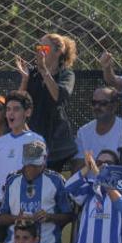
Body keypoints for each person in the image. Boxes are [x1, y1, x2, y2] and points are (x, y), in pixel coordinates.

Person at [0, 141, 73, 243]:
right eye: (28, 164)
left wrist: (50, 216)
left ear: (44, 160)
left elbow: (69, 215)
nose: (31, 169)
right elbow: (0, 217)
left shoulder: (56, 180)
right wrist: (15, 218)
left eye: (36, 165)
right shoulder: (12, 181)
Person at [16, 33, 78, 171]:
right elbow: (18, 102)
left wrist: (44, 70)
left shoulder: (66, 74)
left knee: (51, 179)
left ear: (58, 52)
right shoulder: (33, 74)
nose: (40, 51)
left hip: (57, 142)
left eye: (45, 48)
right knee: (32, 173)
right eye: (39, 47)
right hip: (34, 136)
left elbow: (59, 96)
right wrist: (25, 80)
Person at [0, 90, 46, 217]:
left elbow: (32, 176)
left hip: (20, 215)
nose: (11, 113)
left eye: (16, 109)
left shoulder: (35, 141)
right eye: (8, 109)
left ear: (28, 112)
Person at [71, 87, 122, 171]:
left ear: (114, 106)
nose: (97, 107)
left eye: (103, 103)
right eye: (94, 103)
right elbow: (76, 171)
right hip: (88, 183)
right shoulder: (83, 132)